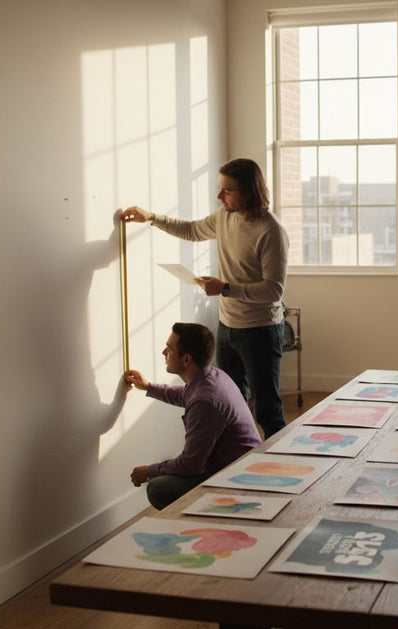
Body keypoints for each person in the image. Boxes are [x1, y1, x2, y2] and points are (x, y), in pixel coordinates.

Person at [120, 158, 289, 438]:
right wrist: (151, 217)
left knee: (267, 410)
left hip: (261, 331)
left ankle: (285, 472)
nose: (219, 196)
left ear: (248, 192)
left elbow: (273, 290)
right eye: (220, 188)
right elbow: (192, 230)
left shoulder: (271, 230)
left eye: (227, 191)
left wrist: (225, 288)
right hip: (227, 326)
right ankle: (240, 465)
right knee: (229, 403)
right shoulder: (224, 216)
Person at [124, 322, 262, 510]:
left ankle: (214, 516)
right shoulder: (211, 375)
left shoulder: (205, 401)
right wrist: (147, 386)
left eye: (170, 349)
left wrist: (149, 471)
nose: (164, 353)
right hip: (246, 462)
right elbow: (184, 394)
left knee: (158, 488)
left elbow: (190, 465)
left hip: (238, 474)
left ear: (186, 359)